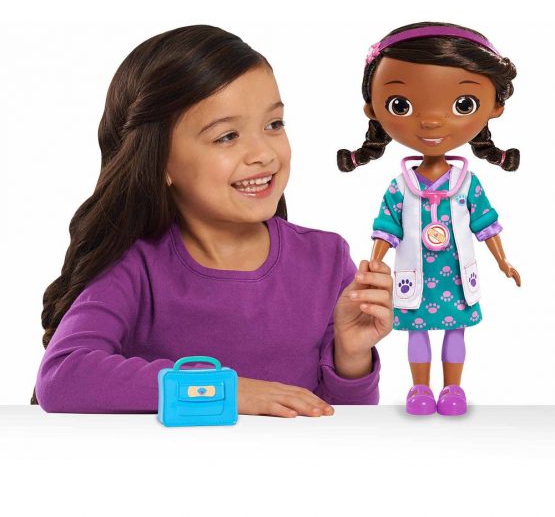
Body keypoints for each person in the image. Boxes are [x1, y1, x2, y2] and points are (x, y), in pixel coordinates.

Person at [34, 25, 393, 417]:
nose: (263, 153)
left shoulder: (326, 259)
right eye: (227, 136)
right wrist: (226, 391)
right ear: (160, 160)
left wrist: (351, 356)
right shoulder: (135, 266)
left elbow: (343, 424)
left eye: (274, 124)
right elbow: (63, 377)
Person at [337, 22, 521, 416]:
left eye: (463, 104)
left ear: (494, 107)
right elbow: (386, 227)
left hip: (456, 275)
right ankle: (419, 389)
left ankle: (453, 389)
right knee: (416, 332)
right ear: (373, 109)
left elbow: (485, 223)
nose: (432, 122)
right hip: (415, 275)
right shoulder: (400, 185)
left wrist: (502, 260)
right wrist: (375, 262)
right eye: (401, 105)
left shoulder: (466, 183)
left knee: (456, 331)